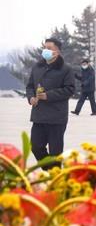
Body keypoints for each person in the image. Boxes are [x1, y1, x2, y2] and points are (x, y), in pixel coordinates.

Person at [26, 38, 75, 168]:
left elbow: (69, 89)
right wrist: (31, 97)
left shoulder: (66, 69)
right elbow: (30, 85)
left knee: (55, 153)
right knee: (36, 147)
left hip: (56, 118)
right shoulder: (38, 66)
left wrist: (48, 95)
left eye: (49, 48)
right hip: (39, 116)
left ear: (57, 51)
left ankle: (55, 179)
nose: (46, 50)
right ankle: (51, 171)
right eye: (45, 47)